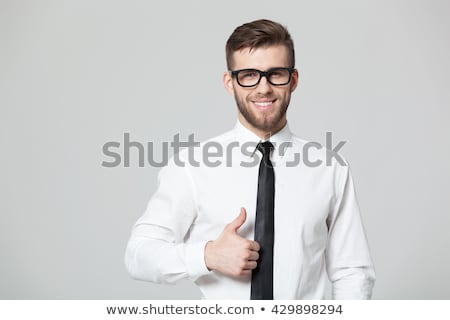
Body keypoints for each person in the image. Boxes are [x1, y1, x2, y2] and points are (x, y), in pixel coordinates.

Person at [125, 19, 375, 299]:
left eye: (275, 74)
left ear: (293, 80)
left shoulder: (330, 169)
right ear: (230, 83)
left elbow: (353, 272)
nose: (263, 88)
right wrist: (207, 256)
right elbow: (138, 255)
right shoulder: (191, 167)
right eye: (248, 75)